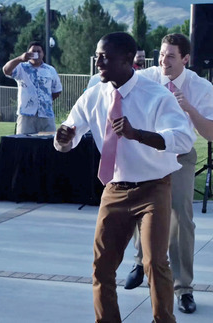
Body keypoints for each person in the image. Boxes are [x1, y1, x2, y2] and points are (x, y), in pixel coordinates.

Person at [54, 32, 195, 322]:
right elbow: (68, 136)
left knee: (154, 262)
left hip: (153, 188)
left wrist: (137, 134)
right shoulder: (94, 94)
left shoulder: (156, 94)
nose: (98, 61)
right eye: (97, 55)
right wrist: (63, 137)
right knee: (101, 267)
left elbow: (184, 140)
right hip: (114, 189)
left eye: (104, 56)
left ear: (128, 60)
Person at [123, 33, 213, 314]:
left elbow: (210, 134)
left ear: (186, 59)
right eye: (161, 54)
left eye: (171, 56)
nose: (164, 61)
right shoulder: (146, 77)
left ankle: (183, 288)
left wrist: (189, 108)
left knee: (180, 218)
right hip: (147, 151)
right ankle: (140, 261)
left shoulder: (201, 86)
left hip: (180, 156)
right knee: (141, 207)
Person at [3, 41, 62, 134]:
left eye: (39, 51)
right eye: (33, 51)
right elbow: (6, 70)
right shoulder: (21, 67)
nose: (36, 54)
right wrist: (20, 59)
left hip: (46, 115)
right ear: (28, 53)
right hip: (26, 115)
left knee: (48, 145)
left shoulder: (50, 70)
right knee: (24, 144)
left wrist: (44, 100)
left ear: (43, 54)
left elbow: (57, 90)